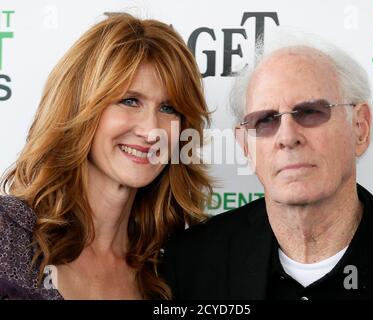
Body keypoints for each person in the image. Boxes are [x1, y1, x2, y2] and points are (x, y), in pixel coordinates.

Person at [162, 31, 373, 300]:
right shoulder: (191, 266)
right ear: (246, 147)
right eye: (265, 120)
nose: (287, 137)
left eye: (310, 112)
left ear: (360, 127)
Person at [0, 13, 213, 300]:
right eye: (129, 101)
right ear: (77, 108)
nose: (152, 131)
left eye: (168, 108)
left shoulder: (170, 271)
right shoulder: (9, 233)